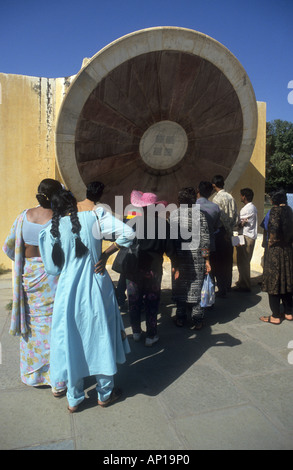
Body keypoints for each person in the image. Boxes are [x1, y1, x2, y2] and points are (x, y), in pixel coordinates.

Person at [38, 189, 134, 412]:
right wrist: (106, 253)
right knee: (101, 335)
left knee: (71, 339)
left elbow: (52, 269)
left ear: (55, 209)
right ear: (74, 203)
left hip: (68, 291)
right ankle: (105, 393)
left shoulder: (49, 231)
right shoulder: (96, 216)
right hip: (97, 286)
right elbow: (128, 233)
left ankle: (74, 398)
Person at [2, 178, 66, 396]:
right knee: (56, 324)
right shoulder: (61, 219)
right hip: (54, 279)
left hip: (30, 277)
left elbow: (10, 247)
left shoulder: (23, 217)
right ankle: (57, 376)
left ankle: (34, 374)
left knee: (35, 323)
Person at [126, 190, 176, 346]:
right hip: (153, 270)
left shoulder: (132, 222)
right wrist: (176, 265)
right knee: (152, 302)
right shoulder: (163, 225)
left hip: (133, 268)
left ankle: (135, 331)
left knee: (134, 301)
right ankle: (151, 335)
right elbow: (171, 249)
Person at [171, 187, 211, 330]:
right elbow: (205, 240)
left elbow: (171, 241)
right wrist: (206, 260)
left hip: (179, 259)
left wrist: (174, 259)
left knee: (181, 287)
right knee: (196, 288)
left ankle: (180, 318)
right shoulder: (200, 216)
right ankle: (197, 320)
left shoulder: (174, 215)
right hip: (196, 259)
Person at [260, 190, 293, 324]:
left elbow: (272, 233)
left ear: (274, 200)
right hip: (288, 251)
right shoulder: (289, 211)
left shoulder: (275, 211)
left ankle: (275, 316)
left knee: (273, 282)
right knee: (287, 280)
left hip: (275, 252)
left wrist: (269, 245)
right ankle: (289, 312)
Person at [211, 175, 238, 297]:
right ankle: (227, 286)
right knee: (228, 261)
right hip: (230, 233)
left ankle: (221, 289)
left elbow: (221, 217)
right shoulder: (231, 197)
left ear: (214, 185)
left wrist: (226, 231)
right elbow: (235, 216)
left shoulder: (216, 199)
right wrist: (231, 231)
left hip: (222, 233)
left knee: (219, 262)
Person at [196, 181, 221, 279]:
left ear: (197, 190)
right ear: (210, 192)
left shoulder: (192, 206)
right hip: (209, 246)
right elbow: (216, 226)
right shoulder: (215, 207)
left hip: (194, 246)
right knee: (208, 273)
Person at [234, 188, 258, 292]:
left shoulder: (246, 209)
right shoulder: (253, 207)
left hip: (245, 237)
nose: (240, 197)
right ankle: (242, 282)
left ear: (244, 196)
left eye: (241, 195)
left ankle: (245, 285)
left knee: (243, 262)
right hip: (247, 236)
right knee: (242, 261)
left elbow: (240, 224)